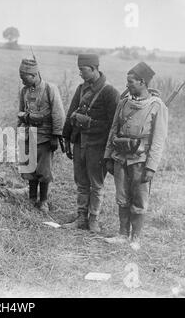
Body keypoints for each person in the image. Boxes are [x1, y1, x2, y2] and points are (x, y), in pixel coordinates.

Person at [104, 62, 168, 250]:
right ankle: (123, 234)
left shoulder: (157, 106)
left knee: (139, 200)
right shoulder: (124, 102)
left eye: (131, 82)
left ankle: (135, 238)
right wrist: (108, 156)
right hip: (120, 157)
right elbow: (113, 130)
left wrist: (151, 167)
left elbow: (158, 140)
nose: (127, 85)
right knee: (122, 197)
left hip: (140, 160)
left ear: (142, 82)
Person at [62, 54, 120, 232]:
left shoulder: (110, 92)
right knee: (81, 182)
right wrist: (66, 138)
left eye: (82, 70)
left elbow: (114, 125)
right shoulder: (81, 89)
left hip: (98, 146)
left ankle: (93, 219)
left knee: (96, 184)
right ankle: (81, 218)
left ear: (94, 69)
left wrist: (88, 123)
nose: (80, 73)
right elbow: (71, 113)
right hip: (80, 144)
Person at [17, 58, 65, 213]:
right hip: (28, 136)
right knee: (30, 169)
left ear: (33, 74)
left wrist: (55, 135)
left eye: (24, 77)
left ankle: (43, 201)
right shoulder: (24, 91)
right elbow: (20, 112)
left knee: (44, 171)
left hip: (45, 137)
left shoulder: (50, 89)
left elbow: (58, 113)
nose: (22, 80)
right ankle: (31, 198)